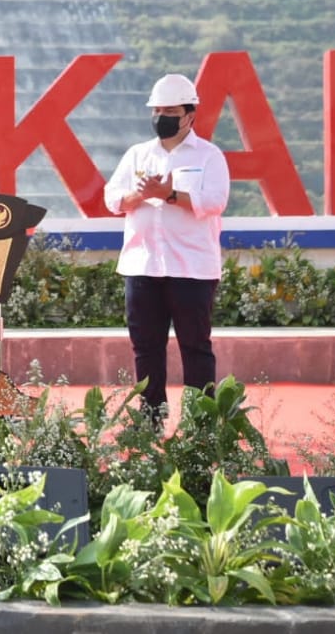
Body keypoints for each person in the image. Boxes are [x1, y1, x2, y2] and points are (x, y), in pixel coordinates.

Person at [103, 73, 230, 416]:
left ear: (190, 114)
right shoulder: (137, 155)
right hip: (142, 266)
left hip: (192, 268)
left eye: (170, 110)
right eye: (157, 110)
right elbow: (112, 199)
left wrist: (170, 195)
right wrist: (138, 195)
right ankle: (150, 424)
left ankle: (200, 427)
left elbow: (216, 201)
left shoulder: (209, 156)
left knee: (196, 348)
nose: (161, 117)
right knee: (146, 350)